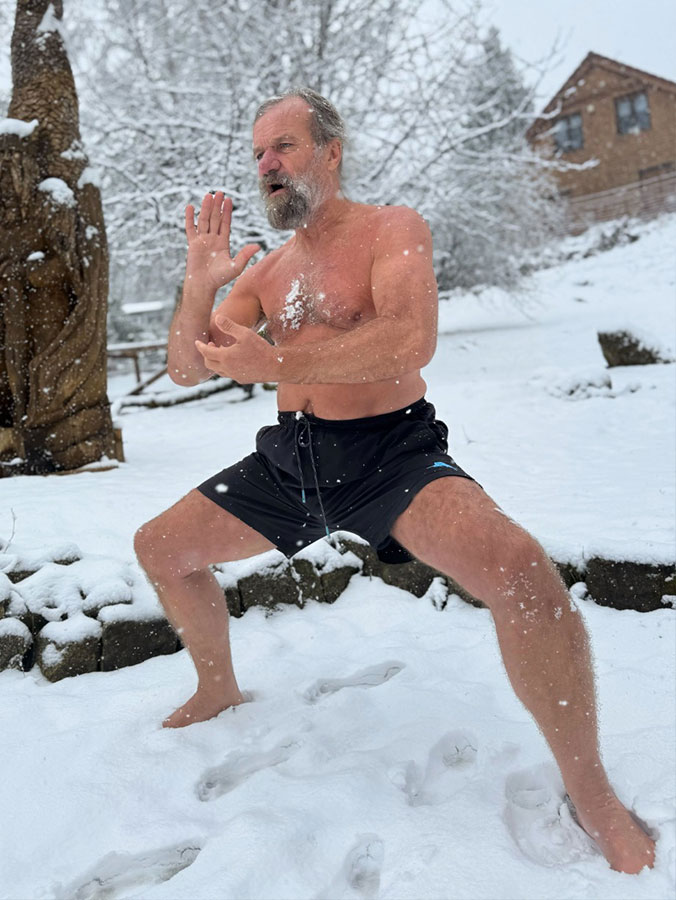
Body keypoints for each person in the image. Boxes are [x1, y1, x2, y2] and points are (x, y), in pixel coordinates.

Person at [134, 88, 655, 874]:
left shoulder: (391, 228)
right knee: (161, 547)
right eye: (258, 156)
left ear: (330, 152)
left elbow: (410, 339)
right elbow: (182, 367)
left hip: (391, 455)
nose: (268, 166)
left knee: (519, 570)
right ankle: (218, 688)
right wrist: (199, 286)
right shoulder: (268, 271)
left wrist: (277, 361)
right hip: (294, 459)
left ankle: (592, 791)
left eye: (285, 147)